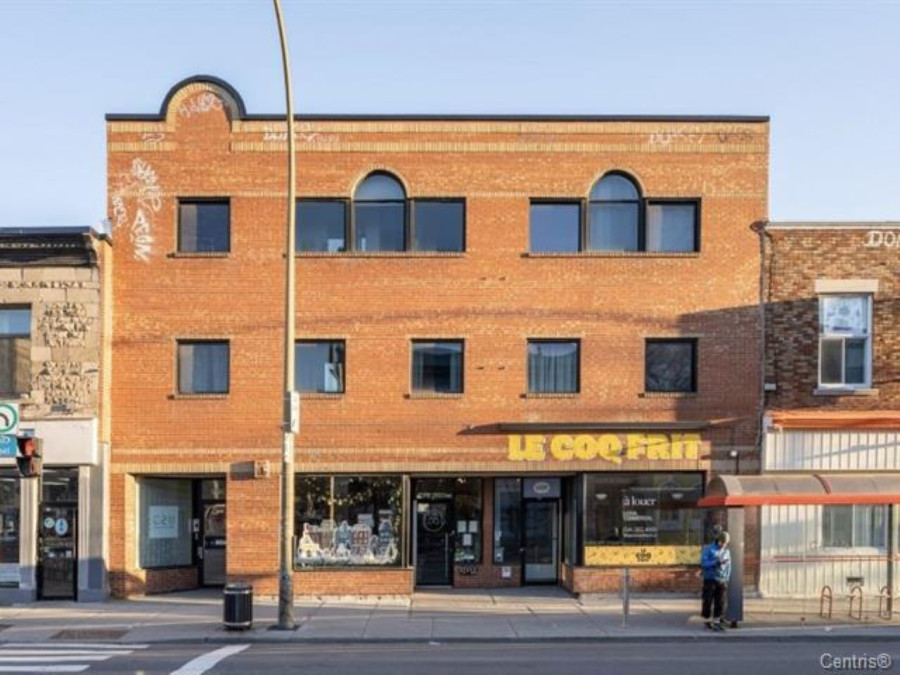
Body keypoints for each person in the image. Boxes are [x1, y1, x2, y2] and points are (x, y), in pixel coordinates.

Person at [700, 531, 731, 631]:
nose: (724, 545)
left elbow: (729, 565)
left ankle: (717, 621)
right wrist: (716, 562)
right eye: (723, 543)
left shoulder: (726, 551)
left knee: (720, 601)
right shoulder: (708, 549)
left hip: (722, 579)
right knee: (708, 600)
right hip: (710, 579)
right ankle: (707, 620)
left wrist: (727, 577)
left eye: (726, 543)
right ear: (719, 541)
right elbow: (704, 563)